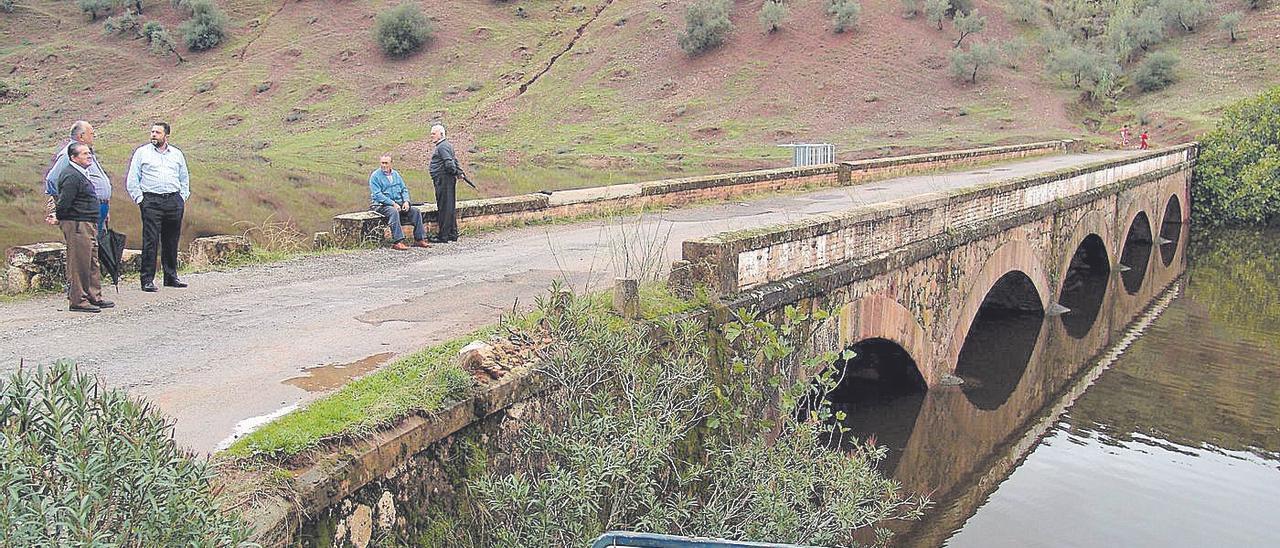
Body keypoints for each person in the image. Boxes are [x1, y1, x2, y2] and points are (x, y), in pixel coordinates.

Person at [126, 122, 189, 292]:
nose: (154, 135)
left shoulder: (176, 154)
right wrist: (141, 199)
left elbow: (184, 178)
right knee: (151, 240)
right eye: (152, 132)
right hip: (151, 201)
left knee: (171, 240)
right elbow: (133, 179)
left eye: (158, 132)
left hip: (173, 200)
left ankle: (171, 276)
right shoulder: (142, 153)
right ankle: (147, 279)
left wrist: (181, 198)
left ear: (166, 135)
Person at [56, 143, 113, 313]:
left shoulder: (82, 173)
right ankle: (78, 300)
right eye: (84, 154)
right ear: (73, 157)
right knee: (79, 262)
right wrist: (63, 218)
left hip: (89, 222)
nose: (89, 156)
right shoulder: (71, 176)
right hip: (78, 224)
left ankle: (93, 295)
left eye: (89, 153)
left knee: (91, 261)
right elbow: (64, 203)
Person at [44, 121, 112, 232]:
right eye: (91, 134)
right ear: (81, 136)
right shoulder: (70, 153)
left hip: (97, 206)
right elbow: (52, 179)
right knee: (84, 243)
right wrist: (67, 203)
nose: (94, 137)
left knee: (98, 244)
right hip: (84, 210)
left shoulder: (85, 151)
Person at [369, 154, 430, 250]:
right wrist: (392, 203)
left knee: (415, 211)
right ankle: (398, 241)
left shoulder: (396, 174)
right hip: (381, 205)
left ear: (391, 164)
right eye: (382, 163)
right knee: (393, 211)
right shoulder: (375, 176)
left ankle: (420, 239)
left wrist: (406, 201)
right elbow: (378, 195)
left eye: (386, 163)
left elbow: (404, 189)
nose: (384, 165)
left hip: (399, 203)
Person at [428, 124, 461, 243]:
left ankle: (444, 236)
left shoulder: (442, 147)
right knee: (449, 206)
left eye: (433, 133)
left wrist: (454, 172)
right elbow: (454, 161)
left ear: (441, 134)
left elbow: (449, 163)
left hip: (444, 180)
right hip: (446, 179)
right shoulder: (447, 145)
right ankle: (452, 233)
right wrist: (458, 172)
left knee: (444, 207)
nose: (431, 136)